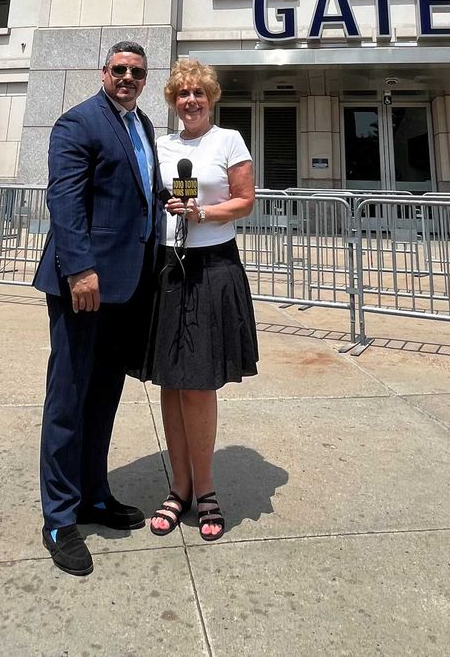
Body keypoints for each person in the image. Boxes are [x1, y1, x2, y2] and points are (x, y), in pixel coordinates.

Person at [33, 41, 161, 577]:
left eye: (137, 72)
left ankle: (93, 495)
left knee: (104, 395)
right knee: (69, 398)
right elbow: (64, 200)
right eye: (120, 70)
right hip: (83, 285)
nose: (128, 78)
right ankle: (60, 517)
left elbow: (142, 192)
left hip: (127, 287)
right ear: (103, 72)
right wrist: (80, 268)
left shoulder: (144, 124)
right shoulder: (77, 123)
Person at [135, 58, 257, 542]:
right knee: (170, 379)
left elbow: (245, 200)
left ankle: (205, 490)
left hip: (212, 265)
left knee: (199, 382)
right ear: (173, 101)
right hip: (167, 266)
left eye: (198, 94)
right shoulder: (160, 145)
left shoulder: (228, 141)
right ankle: (178, 487)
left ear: (211, 98)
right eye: (182, 94)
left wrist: (203, 211)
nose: (190, 101)